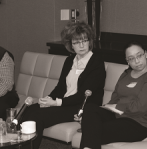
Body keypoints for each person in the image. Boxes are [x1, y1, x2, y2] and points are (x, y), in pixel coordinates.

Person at [20, 21, 106, 149]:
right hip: (64, 103)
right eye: (76, 42)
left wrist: (56, 103)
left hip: (82, 108)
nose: (81, 45)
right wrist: (48, 99)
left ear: (90, 41)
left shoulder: (96, 63)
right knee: (29, 109)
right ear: (71, 44)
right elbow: (61, 87)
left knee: (37, 116)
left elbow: (83, 95)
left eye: (84, 40)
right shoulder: (70, 60)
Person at [78, 41, 147, 149]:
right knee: (90, 109)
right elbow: (114, 99)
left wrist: (118, 106)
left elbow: (139, 107)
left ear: (146, 54)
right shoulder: (126, 74)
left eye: (139, 55)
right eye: (131, 58)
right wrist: (103, 109)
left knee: (92, 130)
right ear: (127, 61)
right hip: (117, 116)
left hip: (139, 124)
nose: (137, 61)